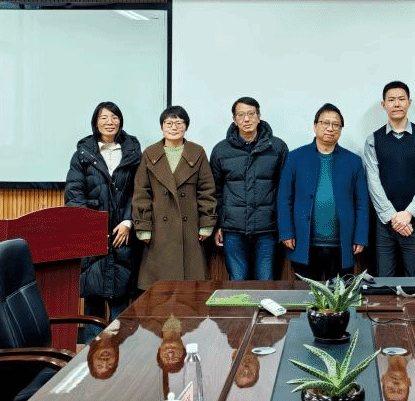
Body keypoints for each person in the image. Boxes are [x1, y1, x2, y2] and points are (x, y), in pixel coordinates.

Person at [64, 101, 142, 341]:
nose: (110, 122)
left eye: (114, 117)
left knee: (121, 298)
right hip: (92, 237)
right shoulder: (83, 154)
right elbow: (74, 194)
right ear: (95, 122)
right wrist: (92, 227)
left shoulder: (132, 152)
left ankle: (121, 352)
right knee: (94, 300)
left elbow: (140, 192)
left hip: (123, 233)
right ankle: (91, 354)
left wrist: (129, 221)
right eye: (104, 117)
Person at [277, 103, 369, 281]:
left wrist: (360, 237)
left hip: (342, 244)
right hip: (305, 243)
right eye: (325, 123)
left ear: (340, 130)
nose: (330, 128)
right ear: (315, 126)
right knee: (306, 294)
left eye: (336, 125)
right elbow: (284, 198)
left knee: (341, 294)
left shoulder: (353, 161)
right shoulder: (295, 157)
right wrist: (286, 232)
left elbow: (362, 203)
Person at [132, 105, 216, 289]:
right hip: (159, 229)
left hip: (190, 229)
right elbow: (142, 192)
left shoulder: (197, 152)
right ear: (162, 126)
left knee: (191, 289)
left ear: (186, 126)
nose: (174, 127)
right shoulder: (150, 153)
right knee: (160, 290)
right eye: (169, 123)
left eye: (179, 123)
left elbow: (207, 190)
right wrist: (143, 227)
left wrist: (207, 224)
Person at [363, 80, 415, 277]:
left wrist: (408, 214)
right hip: (384, 224)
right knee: (383, 283)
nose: (396, 104)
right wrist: (393, 217)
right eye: (391, 100)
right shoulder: (372, 140)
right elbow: (373, 181)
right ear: (383, 105)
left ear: (409, 102)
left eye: (401, 99)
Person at [209, 96, 288, 280]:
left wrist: (283, 228)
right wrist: (218, 225)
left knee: (266, 283)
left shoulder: (277, 147)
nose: (246, 119)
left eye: (251, 114)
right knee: (237, 283)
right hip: (233, 230)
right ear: (234, 119)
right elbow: (215, 192)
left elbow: (284, 191)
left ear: (259, 117)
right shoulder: (221, 150)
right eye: (241, 115)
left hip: (267, 230)